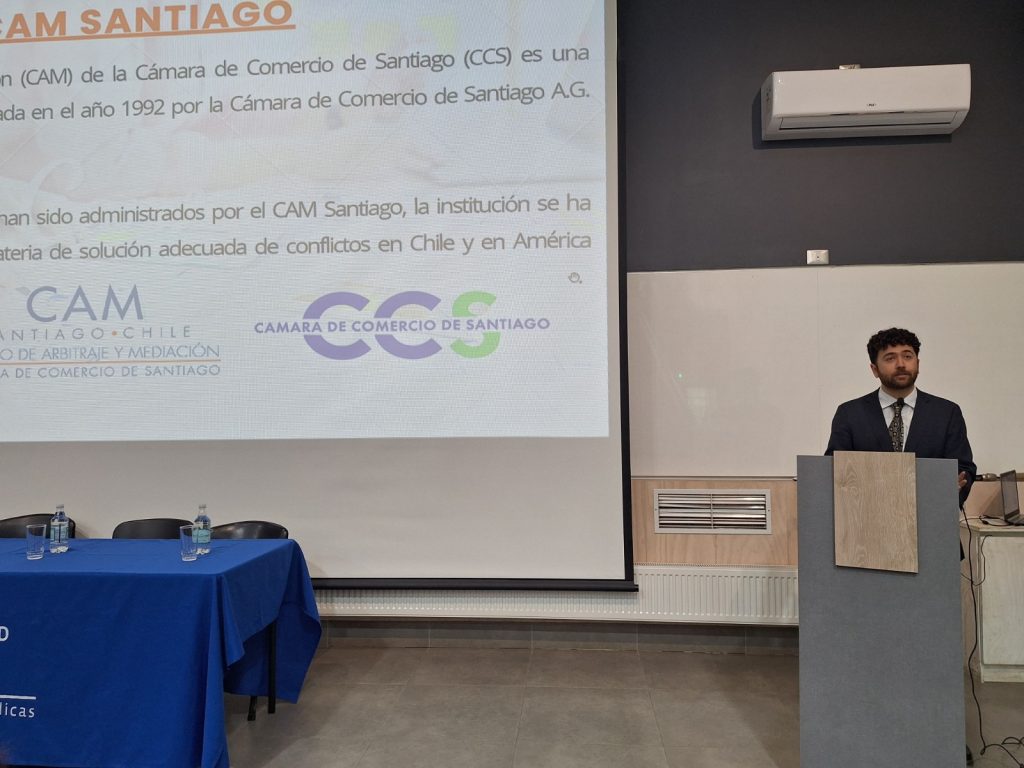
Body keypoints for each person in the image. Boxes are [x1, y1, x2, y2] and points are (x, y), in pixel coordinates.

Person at [825, 327, 976, 506]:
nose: (901, 364)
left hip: (930, 513)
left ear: (917, 363)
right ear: (874, 369)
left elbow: (963, 468)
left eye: (907, 356)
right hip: (865, 515)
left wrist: (953, 489)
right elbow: (835, 469)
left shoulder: (946, 413)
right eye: (890, 358)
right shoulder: (850, 414)